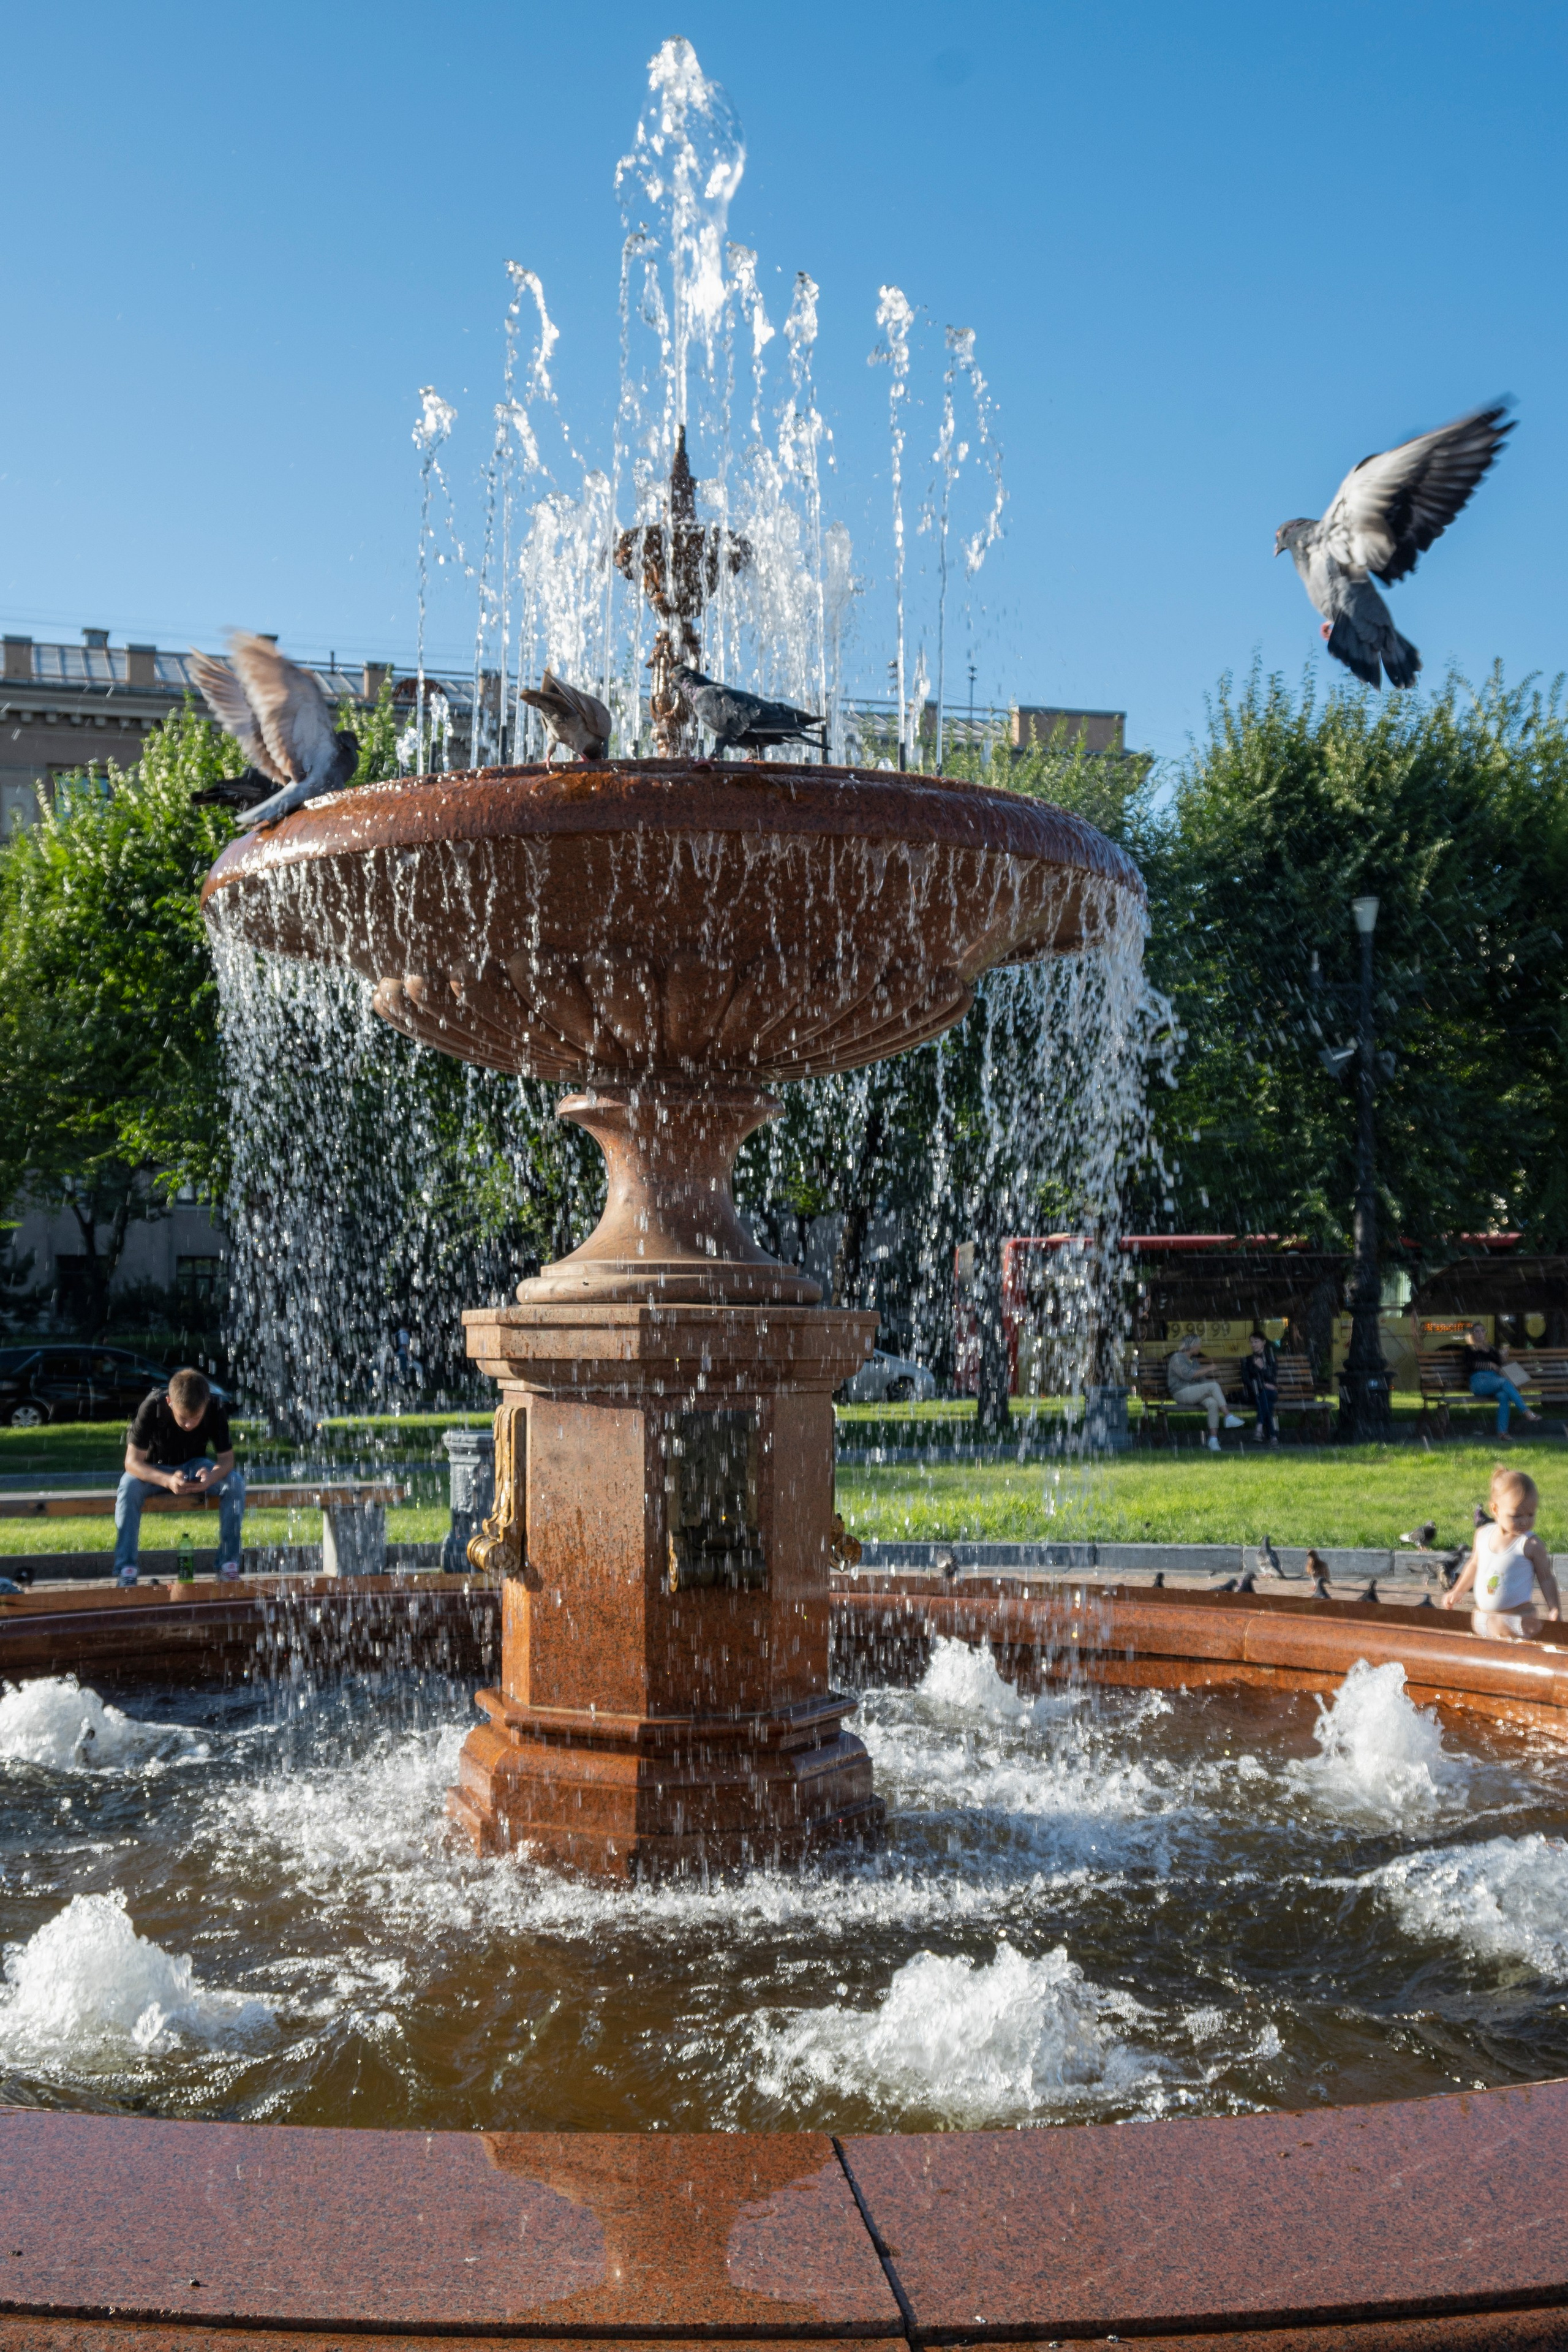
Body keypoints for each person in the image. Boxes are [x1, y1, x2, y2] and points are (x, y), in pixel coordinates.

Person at [113, 1368, 244, 1587]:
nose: (189, 1425)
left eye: (196, 1418)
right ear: (170, 1401)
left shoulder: (215, 1406)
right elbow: (132, 1463)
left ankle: (227, 1565)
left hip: (195, 1465)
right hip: (155, 1469)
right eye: (183, 1418)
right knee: (128, 1486)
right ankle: (126, 1570)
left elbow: (227, 1461)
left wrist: (211, 1477)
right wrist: (167, 1481)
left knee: (235, 1484)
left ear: (206, 1403)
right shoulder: (152, 1406)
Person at [1441, 1465, 1559, 1642]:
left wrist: (1554, 1608)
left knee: (1515, 1659)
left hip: (1518, 1618)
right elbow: (1474, 1565)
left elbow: (1546, 1578)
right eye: (1517, 1516)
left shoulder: (1530, 1544)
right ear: (1495, 1510)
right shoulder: (1483, 1535)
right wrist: (1458, 1590)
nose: (1525, 1521)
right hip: (1483, 1618)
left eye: (1531, 1514)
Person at [1166, 1333, 1245, 1453]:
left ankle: (1213, 1440)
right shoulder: (1177, 1358)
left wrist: (1213, 1391)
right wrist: (1208, 1369)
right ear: (1192, 1346)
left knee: (1213, 1403)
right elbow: (1188, 1375)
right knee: (1213, 1386)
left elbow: (1202, 1381)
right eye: (1199, 1344)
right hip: (1181, 1393)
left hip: (1193, 1392)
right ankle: (1228, 1416)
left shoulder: (1194, 1361)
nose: (1200, 1347)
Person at [1461, 1321, 1542, 1437]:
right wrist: (1489, 1366)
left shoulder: (1491, 1349)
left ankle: (1502, 1432)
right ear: (1472, 1335)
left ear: (1485, 1333)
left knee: (1504, 1396)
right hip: (1479, 1381)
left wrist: (1503, 1357)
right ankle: (1526, 1411)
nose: (1480, 1333)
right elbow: (1469, 1365)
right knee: (1504, 1382)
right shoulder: (1469, 1349)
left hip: (1495, 1381)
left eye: (1483, 1330)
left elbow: (1499, 1366)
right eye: (1476, 1331)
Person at [1240, 1331, 1280, 1447]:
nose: (1253, 1345)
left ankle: (1259, 1427)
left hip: (1268, 1393)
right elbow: (1246, 1380)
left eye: (1256, 1342)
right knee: (1267, 1400)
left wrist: (1263, 1368)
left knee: (1265, 1396)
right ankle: (1273, 1437)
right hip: (1253, 1393)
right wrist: (1262, 1385)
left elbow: (1273, 1378)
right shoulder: (1247, 1360)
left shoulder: (1271, 1358)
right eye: (1251, 1342)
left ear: (1264, 1343)